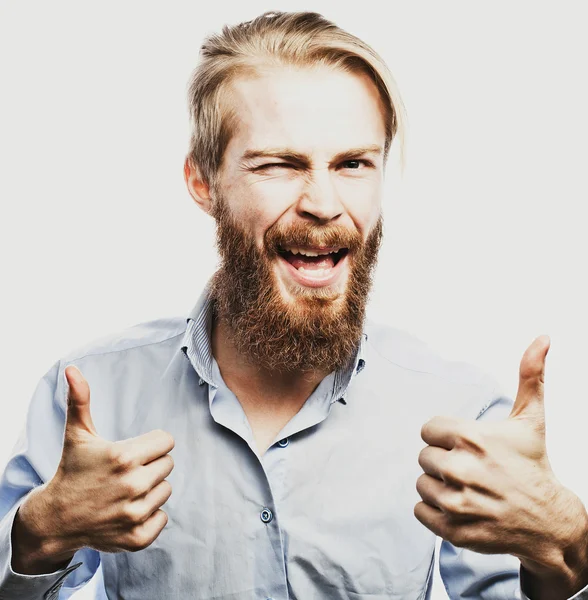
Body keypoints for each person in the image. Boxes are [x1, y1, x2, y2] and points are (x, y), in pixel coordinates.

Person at [0, 10, 586, 600]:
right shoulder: (93, 395)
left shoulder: (461, 411)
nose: (324, 204)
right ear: (204, 182)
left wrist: (569, 545)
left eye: (353, 164)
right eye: (280, 164)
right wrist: (36, 536)